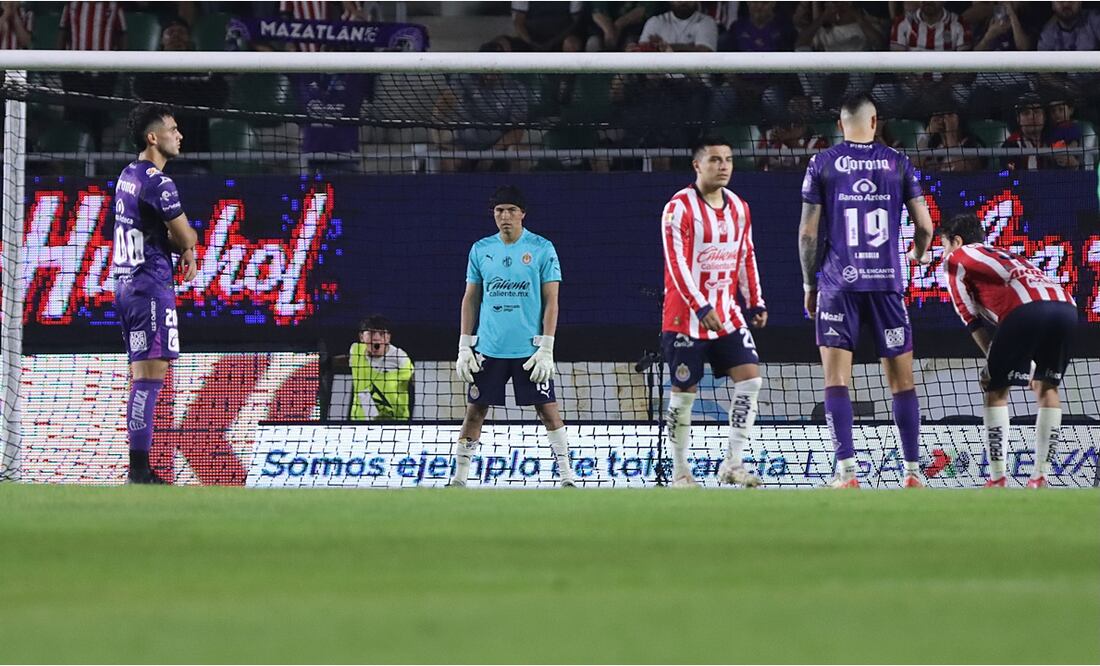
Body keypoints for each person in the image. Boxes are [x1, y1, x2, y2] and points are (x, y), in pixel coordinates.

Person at [798, 93, 933, 489]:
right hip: (886, 282)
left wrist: (809, 284)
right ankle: (912, 473)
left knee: (837, 380)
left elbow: (808, 234)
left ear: (840, 125)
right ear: (875, 122)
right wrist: (917, 255)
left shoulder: (822, 163)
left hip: (838, 284)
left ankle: (847, 473)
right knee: (902, 382)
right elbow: (925, 227)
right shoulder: (898, 162)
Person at [938, 213, 1077, 488]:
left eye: (944, 245)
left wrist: (991, 360)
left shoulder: (956, 259)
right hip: (1066, 307)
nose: (943, 253)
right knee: (1047, 387)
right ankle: (1040, 477)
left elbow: (970, 317)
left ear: (957, 241)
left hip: (1025, 310)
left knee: (995, 389)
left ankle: (998, 478)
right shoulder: (1006, 254)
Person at [450, 186, 575, 488]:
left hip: (529, 351)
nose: (505, 216)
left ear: (522, 214)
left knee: (548, 411)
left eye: (511, 210)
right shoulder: (480, 249)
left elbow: (552, 301)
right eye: (499, 211)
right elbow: (471, 298)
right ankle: (459, 480)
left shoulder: (542, 248)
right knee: (475, 412)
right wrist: (465, 345)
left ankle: (568, 477)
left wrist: (547, 347)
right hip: (489, 349)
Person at [660, 136, 767, 488]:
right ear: (697, 165)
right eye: (715, 160)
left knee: (750, 379)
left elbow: (745, 255)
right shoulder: (678, 208)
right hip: (685, 318)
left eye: (728, 159)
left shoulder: (740, 207)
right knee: (684, 393)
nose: (723, 166)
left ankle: (733, 463)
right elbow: (676, 265)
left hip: (726, 314)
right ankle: (680, 471)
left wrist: (756, 301)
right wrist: (700, 305)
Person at [113, 104, 198, 484]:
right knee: (149, 378)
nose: (179, 135)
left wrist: (181, 245)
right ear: (153, 137)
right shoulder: (159, 182)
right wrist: (190, 245)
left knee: (144, 376)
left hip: (127, 285)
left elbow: (152, 229)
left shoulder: (127, 174)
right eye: (173, 129)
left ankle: (139, 469)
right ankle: (139, 471)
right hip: (150, 286)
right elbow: (184, 235)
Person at [348, 315, 414, 421]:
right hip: (359, 424)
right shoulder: (356, 351)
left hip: (394, 423)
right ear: (361, 337)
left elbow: (414, 379)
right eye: (371, 333)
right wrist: (327, 362)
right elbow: (348, 360)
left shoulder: (400, 358)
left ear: (388, 338)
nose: (376, 337)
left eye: (382, 334)